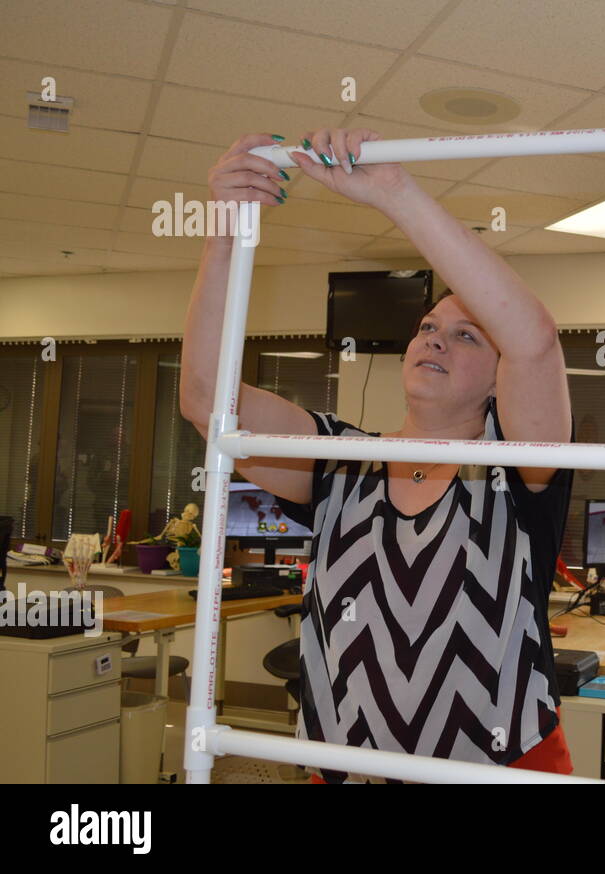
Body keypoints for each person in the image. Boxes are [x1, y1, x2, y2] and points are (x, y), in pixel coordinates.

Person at [182, 129, 575, 782]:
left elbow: (534, 341)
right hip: (342, 770)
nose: (436, 341)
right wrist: (226, 229)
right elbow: (205, 399)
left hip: (501, 770)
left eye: (467, 334)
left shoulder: (516, 468)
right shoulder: (340, 462)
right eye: (427, 329)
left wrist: (396, 194)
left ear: (500, 373)